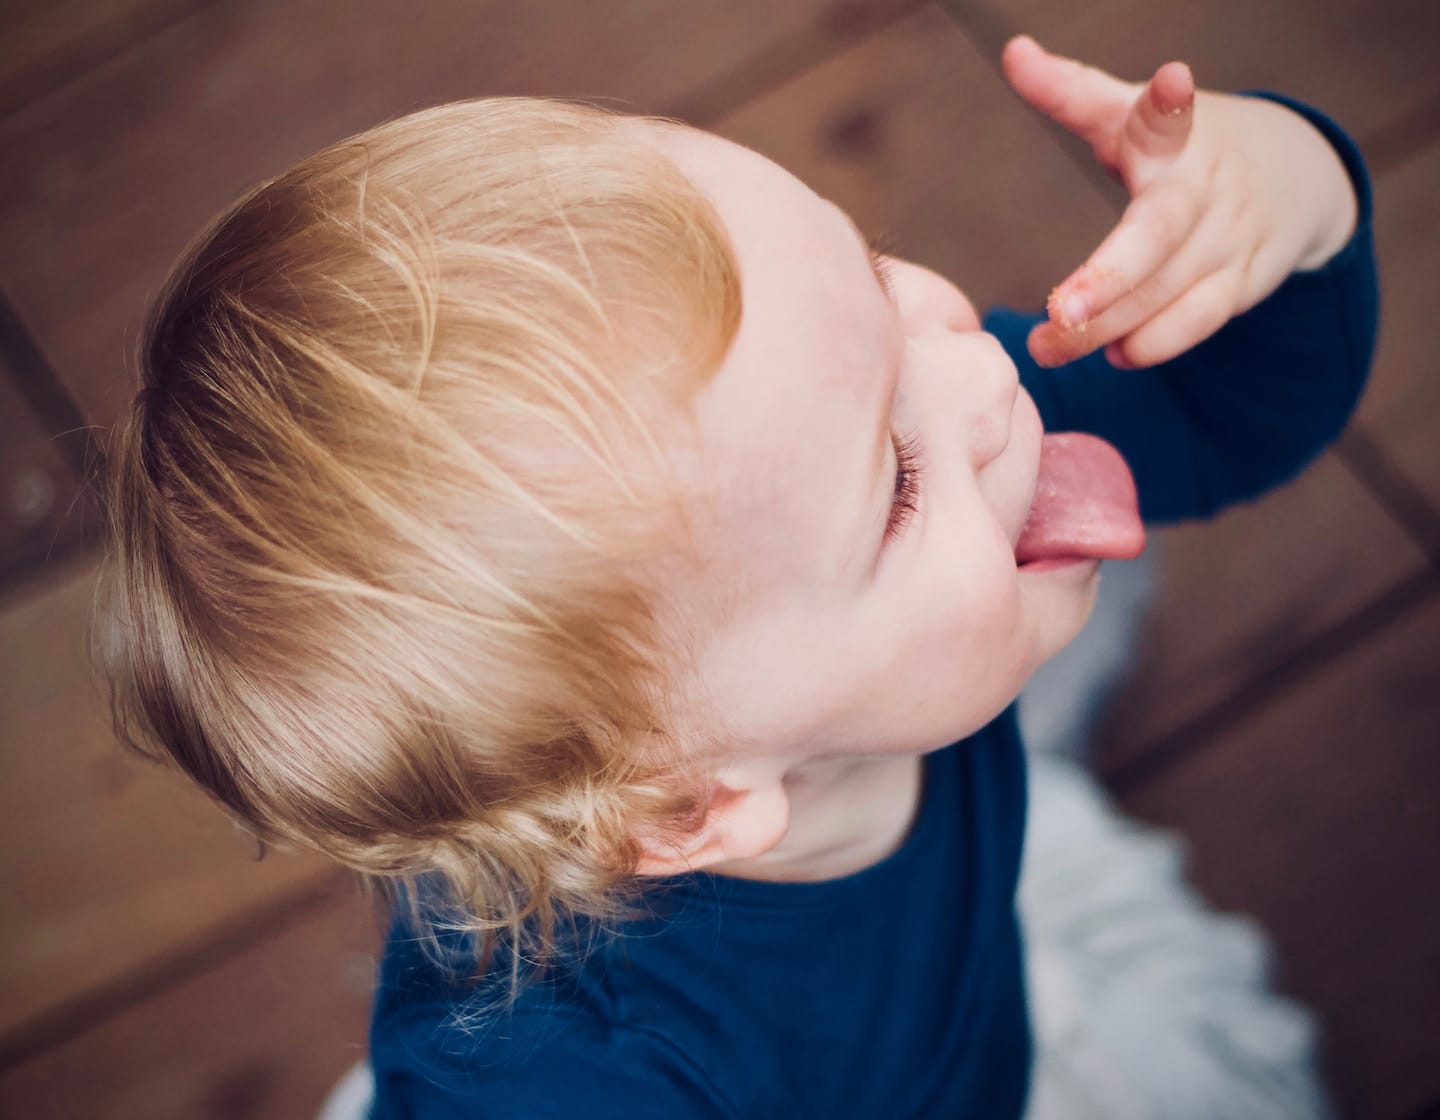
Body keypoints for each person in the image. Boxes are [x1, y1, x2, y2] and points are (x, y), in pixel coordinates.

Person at [105, 32, 1376, 1119]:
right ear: (691, 810)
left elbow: (1220, 416)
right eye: (898, 479)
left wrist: (1291, 202)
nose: (989, 375)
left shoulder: (831, 476)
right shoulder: (577, 1075)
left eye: (875, 273)